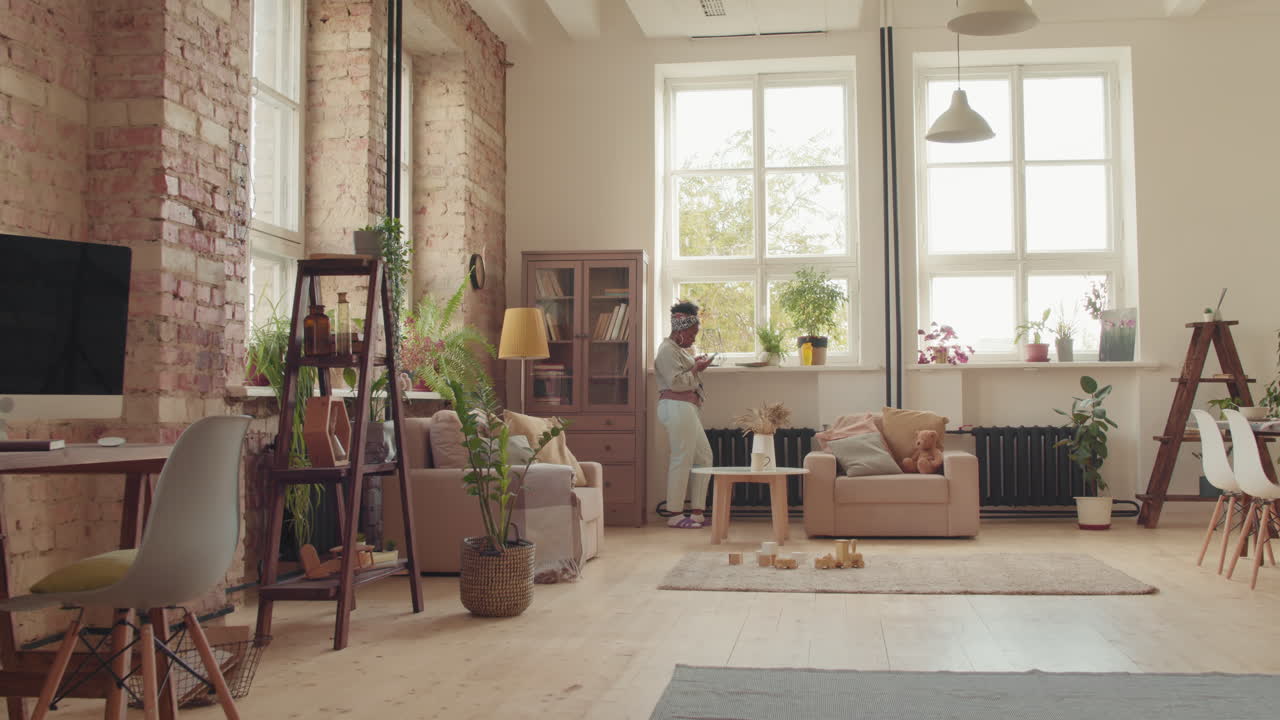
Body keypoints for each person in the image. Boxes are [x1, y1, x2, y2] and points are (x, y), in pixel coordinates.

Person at [655, 301, 715, 528]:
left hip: (686, 408)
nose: (694, 338)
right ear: (679, 330)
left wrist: (695, 365)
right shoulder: (666, 351)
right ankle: (675, 514)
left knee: (704, 457)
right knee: (682, 458)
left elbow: (684, 374)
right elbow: (677, 383)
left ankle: (697, 513)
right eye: (692, 333)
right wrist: (696, 369)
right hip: (676, 406)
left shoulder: (678, 350)